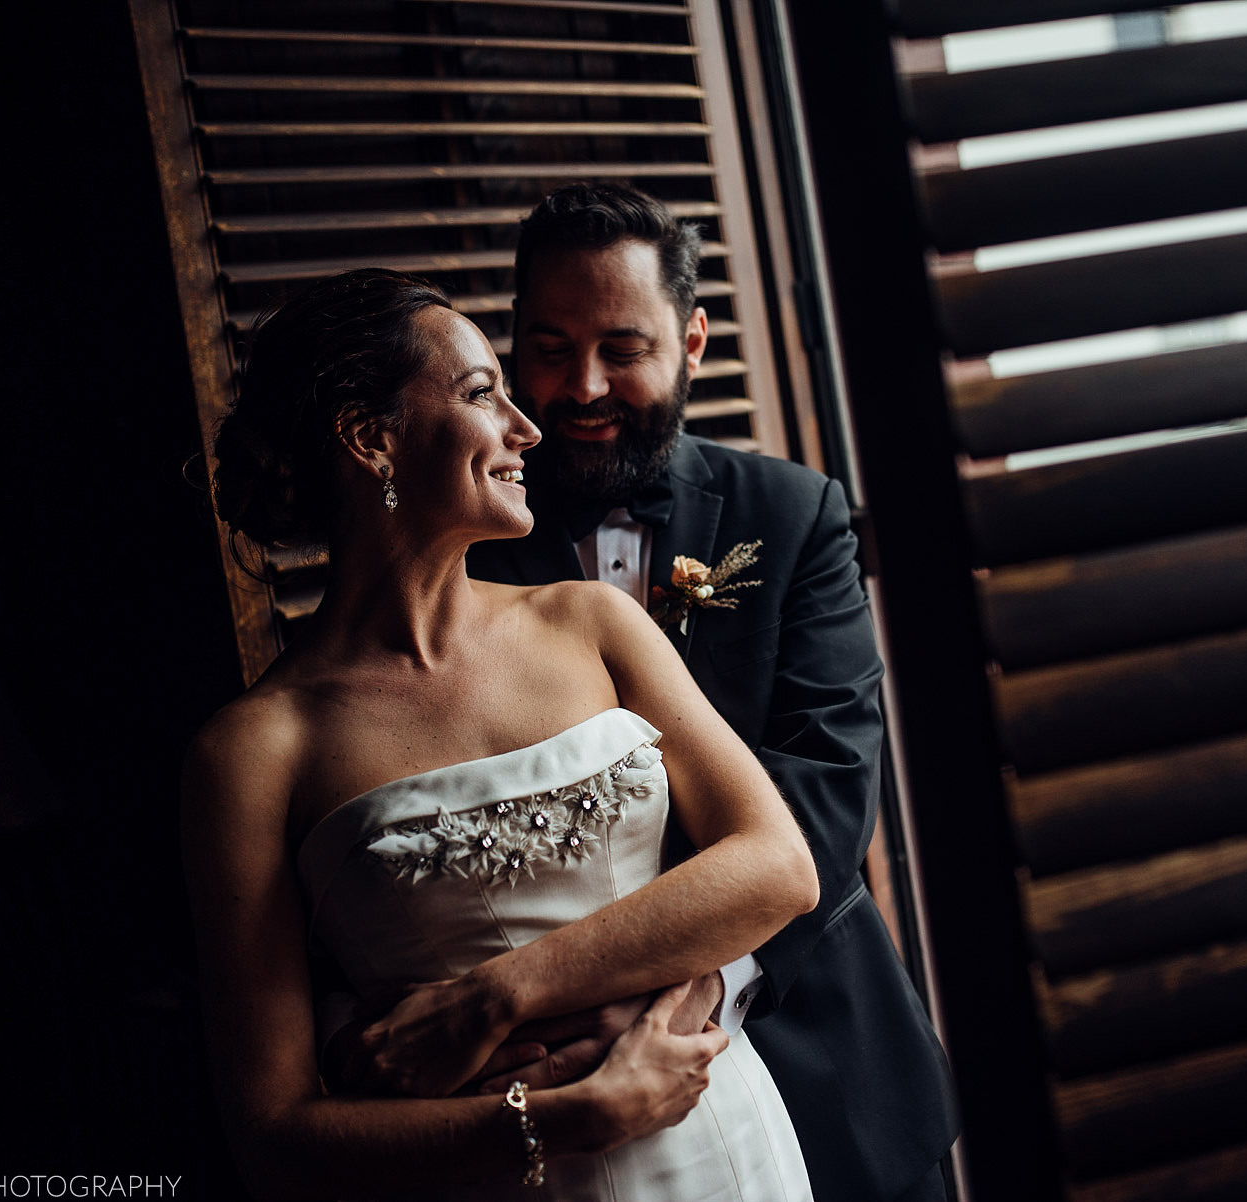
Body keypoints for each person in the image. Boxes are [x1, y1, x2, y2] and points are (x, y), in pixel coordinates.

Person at [349, 183, 960, 1200]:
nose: (581, 384)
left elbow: (827, 790)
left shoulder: (794, 512)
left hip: (826, 1050)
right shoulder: (467, 537)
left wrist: (666, 978)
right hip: (570, 1091)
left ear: (693, 341)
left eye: (623, 349)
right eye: (548, 347)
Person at [183, 266, 821, 1200]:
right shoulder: (252, 754)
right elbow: (273, 1136)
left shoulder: (592, 623)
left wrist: (495, 995)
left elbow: (777, 867)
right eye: (484, 393)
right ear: (371, 437)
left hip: (716, 1141)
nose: (527, 429)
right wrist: (573, 1116)